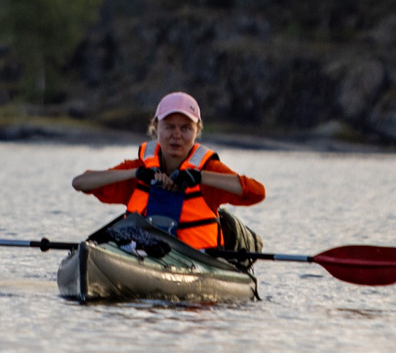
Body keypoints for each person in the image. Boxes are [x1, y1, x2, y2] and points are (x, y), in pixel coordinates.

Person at [71, 91, 265, 256]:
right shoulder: (140, 169)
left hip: (197, 260)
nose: (176, 135)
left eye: (185, 128)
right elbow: (80, 183)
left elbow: (257, 192)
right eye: (169, 126)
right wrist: (135, 173)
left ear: (197, 130)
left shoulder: (210, 170)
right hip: (142, 256)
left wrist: (199, 177)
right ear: (156, 127)